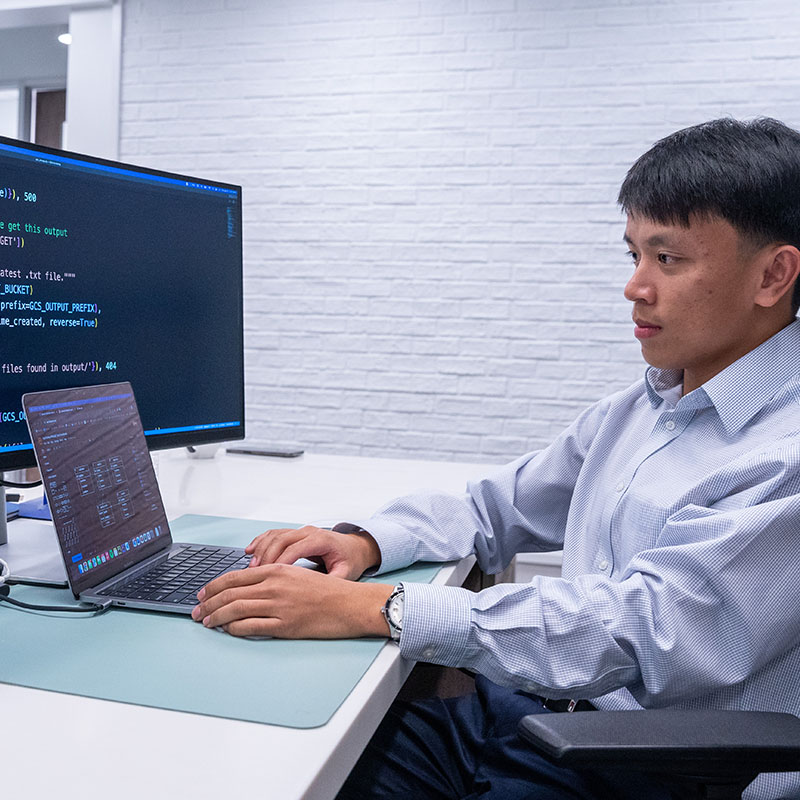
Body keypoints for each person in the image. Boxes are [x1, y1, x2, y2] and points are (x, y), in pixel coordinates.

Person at [192, 117, 800, 800]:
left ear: (773, 275)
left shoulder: (785, 455)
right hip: (538, 720)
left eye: (668, 259)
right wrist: (361, 542)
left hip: (657, 771)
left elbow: (644, 632)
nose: (635, 287)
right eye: (632, 256)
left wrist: (377, 609)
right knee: (286, 770)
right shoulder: (650, 402)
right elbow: (499, 502)